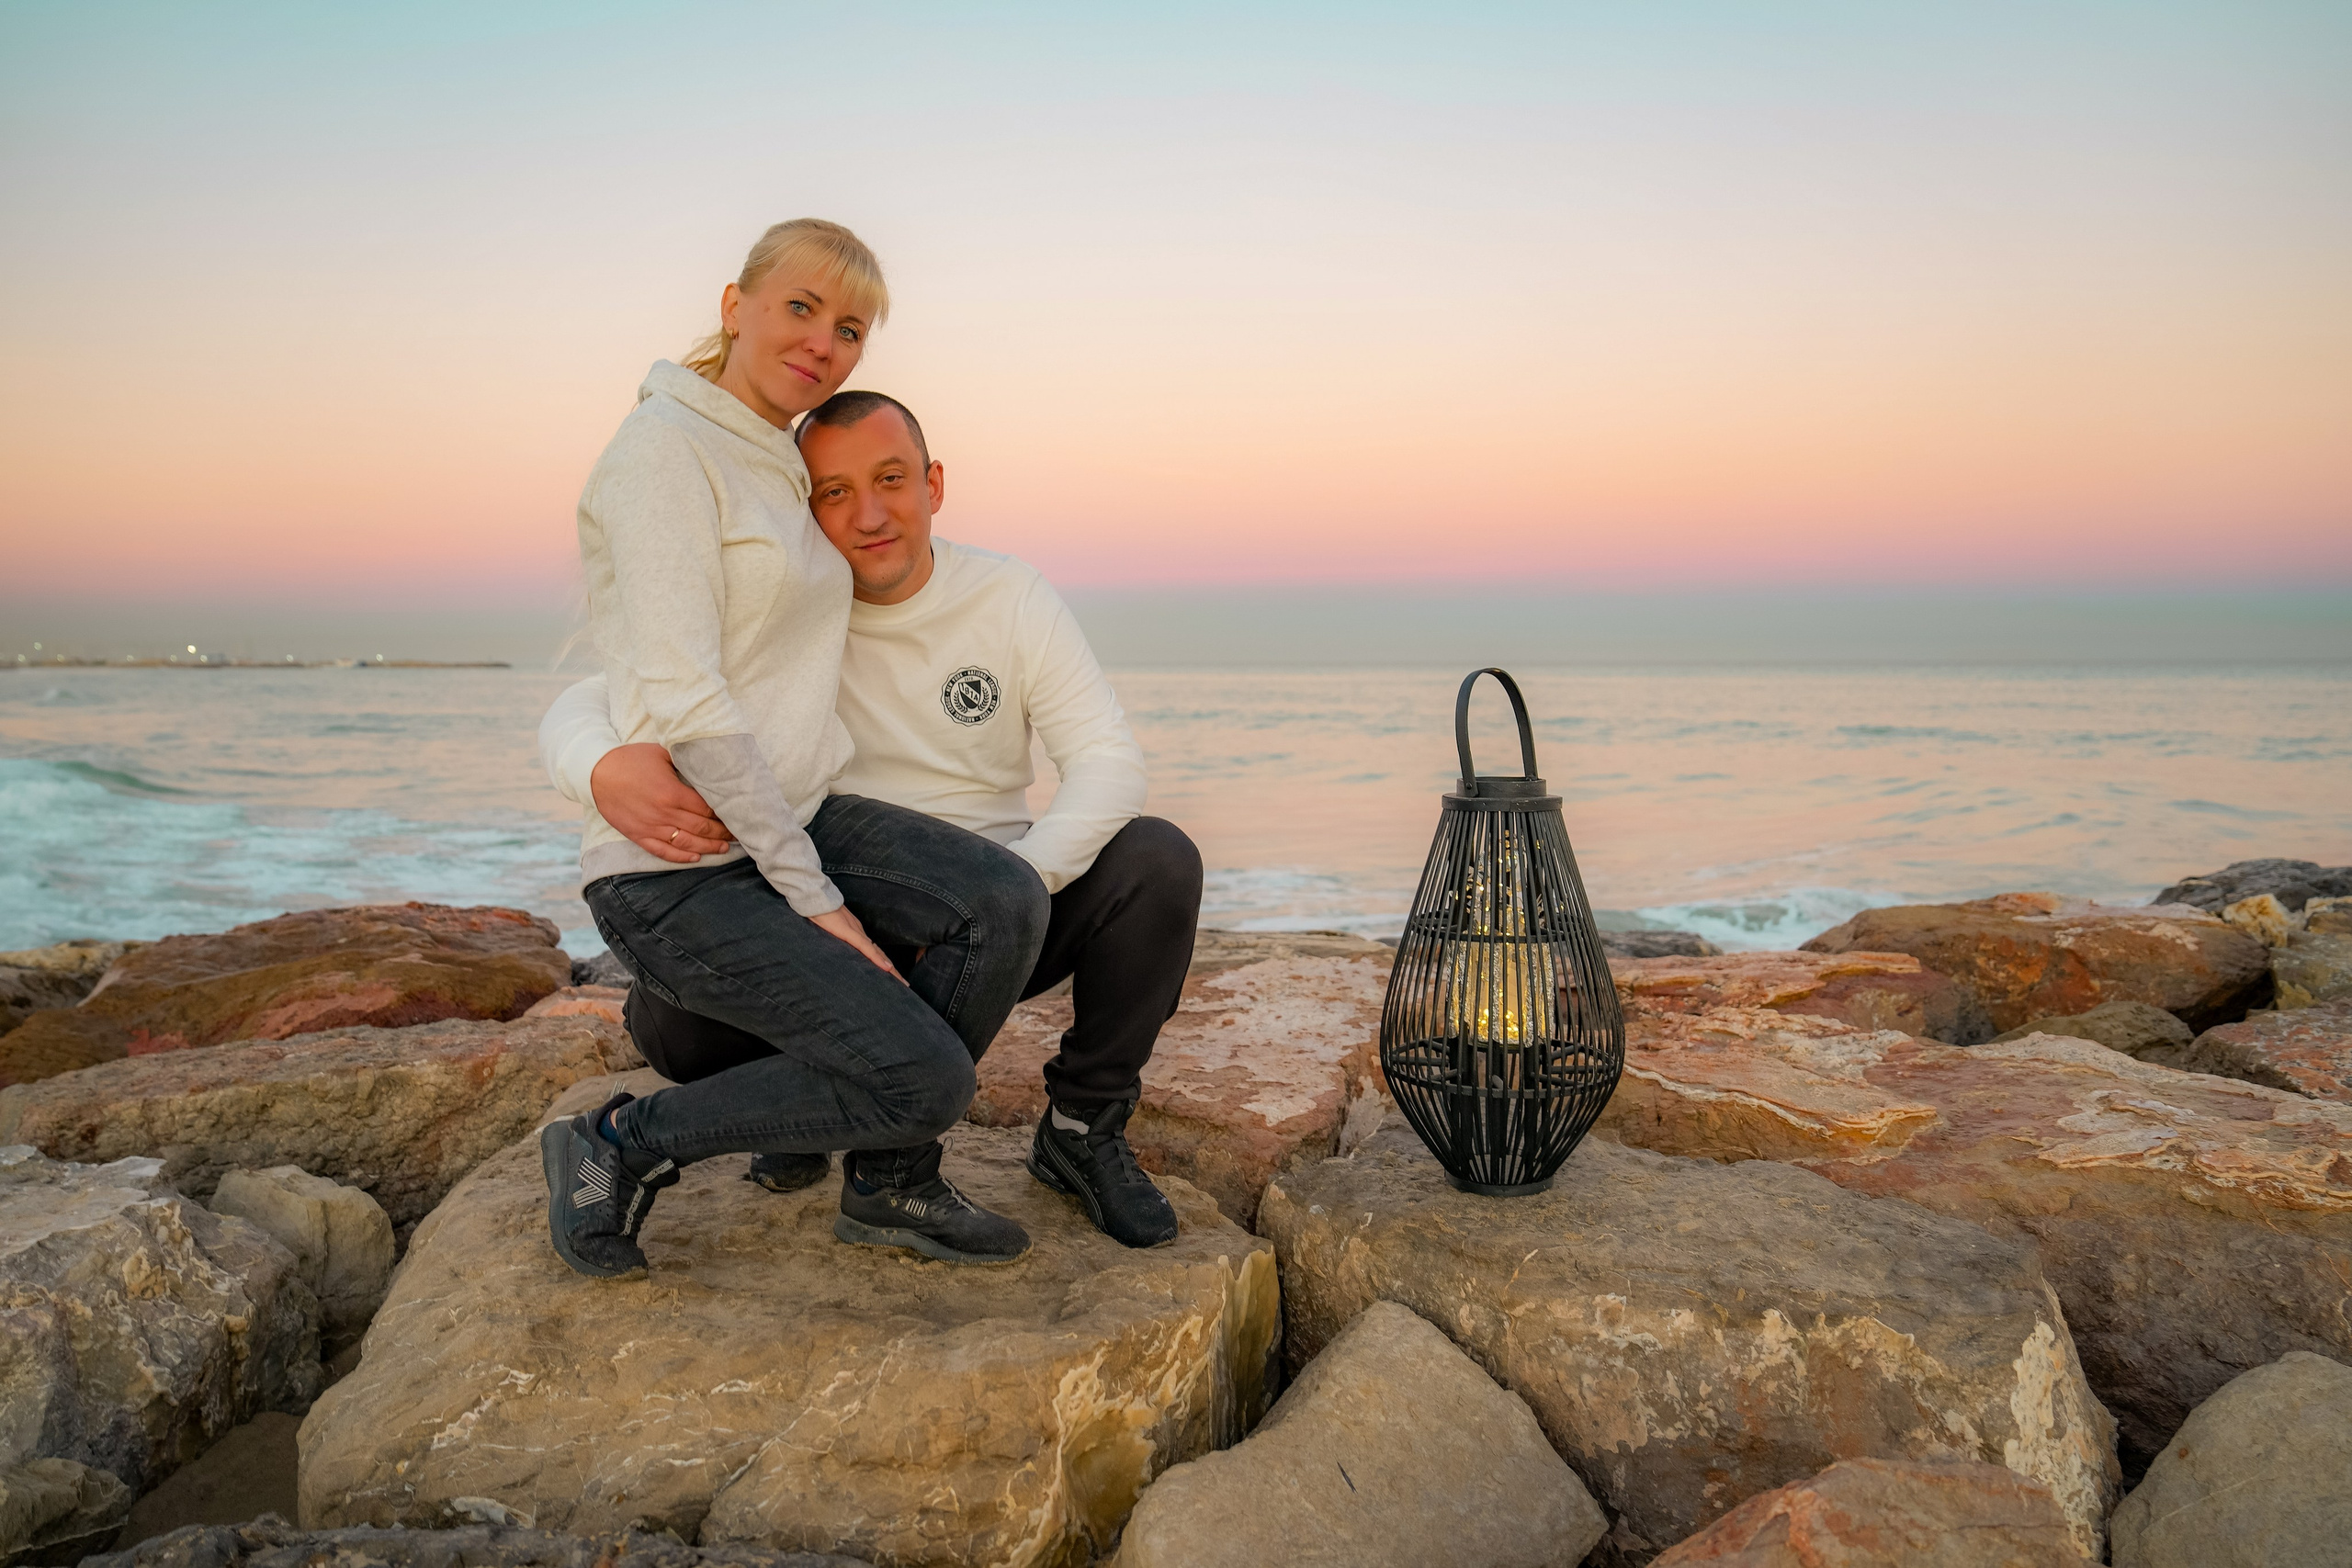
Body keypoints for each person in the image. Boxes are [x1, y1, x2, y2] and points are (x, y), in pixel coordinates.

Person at [541, 388, 1203, 1249]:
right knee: (674, 1028)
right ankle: (798, 1116)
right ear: (803, 509)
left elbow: (1109, 762)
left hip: (990, 910)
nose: (869, 513)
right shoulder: (787, 606)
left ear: (932, 483)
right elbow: (616, 687)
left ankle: (1079, 1133)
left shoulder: (1008, 596)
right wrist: (593, 764)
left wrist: (1019, 888)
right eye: (833, 493)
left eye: (890, 479)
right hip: (819, 906)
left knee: (1158, 860)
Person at [545, 219, 1047, 1280]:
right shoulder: (661, 453)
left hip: (790, 810)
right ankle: (614, 1144)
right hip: (677, 869)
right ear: (736, 305)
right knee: (926, 1076)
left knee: (1000, 899)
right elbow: (679, 692)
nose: (824, 341)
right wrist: (815, 902)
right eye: (801, 308)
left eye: (851, 327)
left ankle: (889, 1182)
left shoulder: (776, 459)